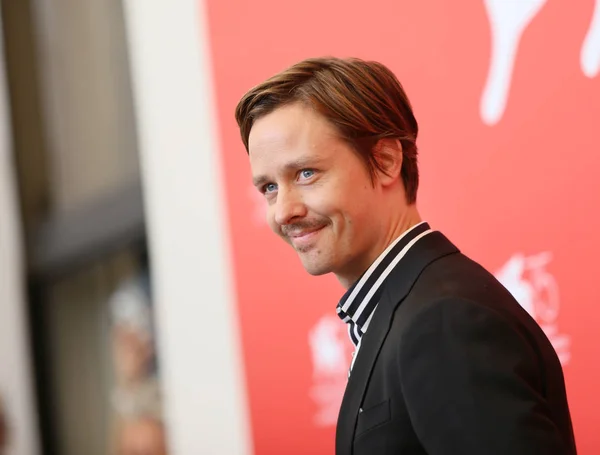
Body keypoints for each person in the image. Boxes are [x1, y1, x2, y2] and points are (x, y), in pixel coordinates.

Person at [235, 57, 577, 455]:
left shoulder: (443, 321)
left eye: (306, 173)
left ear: (386, 162)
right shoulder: (406, 311)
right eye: (269, 188)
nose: (282, 211)